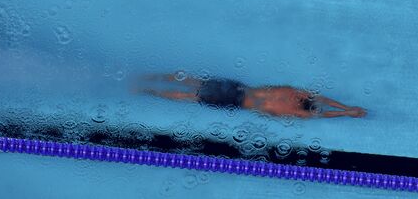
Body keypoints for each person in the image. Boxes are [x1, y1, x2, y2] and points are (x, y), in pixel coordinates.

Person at [138, 72, 367, 119]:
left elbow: (322, 109)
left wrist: (347, 111)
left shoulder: (294, 106)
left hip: (235, 96)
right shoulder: (296, 100)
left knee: (192, 90)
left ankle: (150, 85)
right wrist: (347, 109)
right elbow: (323, 103)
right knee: (192, 86)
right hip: (237, 92)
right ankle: (150, 83)